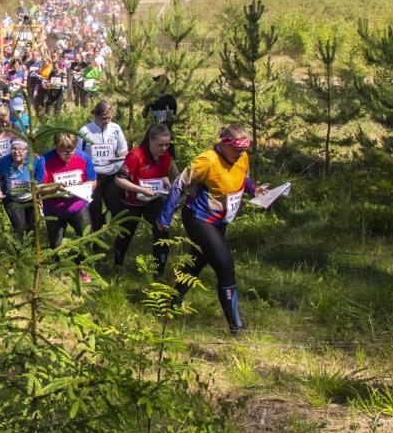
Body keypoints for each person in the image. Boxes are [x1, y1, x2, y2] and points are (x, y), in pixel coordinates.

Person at [157, 124, 267, 334]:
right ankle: (237, 326)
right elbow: (179, 184)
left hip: (221, 220)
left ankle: (170, 306)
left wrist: (254, 190)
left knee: (196, 263)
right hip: (199, 219)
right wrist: (165, 218)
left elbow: (243, 178)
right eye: (236, 150)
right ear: (224, 145)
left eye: (244, 150)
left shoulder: (241, 158)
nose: (240, 154)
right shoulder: (207, 160)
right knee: (225, 267)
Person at [112, 123, 178, 275]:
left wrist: (165, 180)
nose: (164, 148)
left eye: (167, 144)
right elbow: (119, 180)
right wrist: (141, 189)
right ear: (150, 140)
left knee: (162, 230)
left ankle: (158, 271)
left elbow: (161, 173)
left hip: (153, 199)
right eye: (160, 145)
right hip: (131, 200)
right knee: (126, 232)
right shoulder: (136, 155)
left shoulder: (166, 157)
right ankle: (118, 265)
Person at [34, 132, 97, 248]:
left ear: (76, 146)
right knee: (56, 245)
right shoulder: (45, 160)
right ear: (56, 146)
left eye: (71, 150)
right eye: (62, 150)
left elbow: (93, 181)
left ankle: (83, 263)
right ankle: (58, 264)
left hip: (77, 205)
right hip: (53, 209)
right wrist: (56, 187)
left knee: (87, 239)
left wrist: (81, 188)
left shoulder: (83, 157)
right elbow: (37, 188)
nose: (67, 154)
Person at [77, 100, 129, 230]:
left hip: (111, 175)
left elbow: (123, 149)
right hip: (93, 177)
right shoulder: (84, 131)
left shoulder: (115, 128)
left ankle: (101, 224)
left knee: (116, 208)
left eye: (109, 118)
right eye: (103, 118)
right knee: (94, 211)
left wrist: (122, 161)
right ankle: (95, 241)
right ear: (95, 115)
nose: (106, 121)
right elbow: (78, 155)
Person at [0, 138, 38, 238]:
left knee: (32, 227)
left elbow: (41, 178)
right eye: (14, 149)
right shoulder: (5, 161)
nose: (17, 152)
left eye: (20, 149)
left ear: (26, 150)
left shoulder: (34, 161)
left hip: (30, 198)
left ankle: (32, 252)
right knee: (20, 227)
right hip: (12, 199)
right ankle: (18, 252)